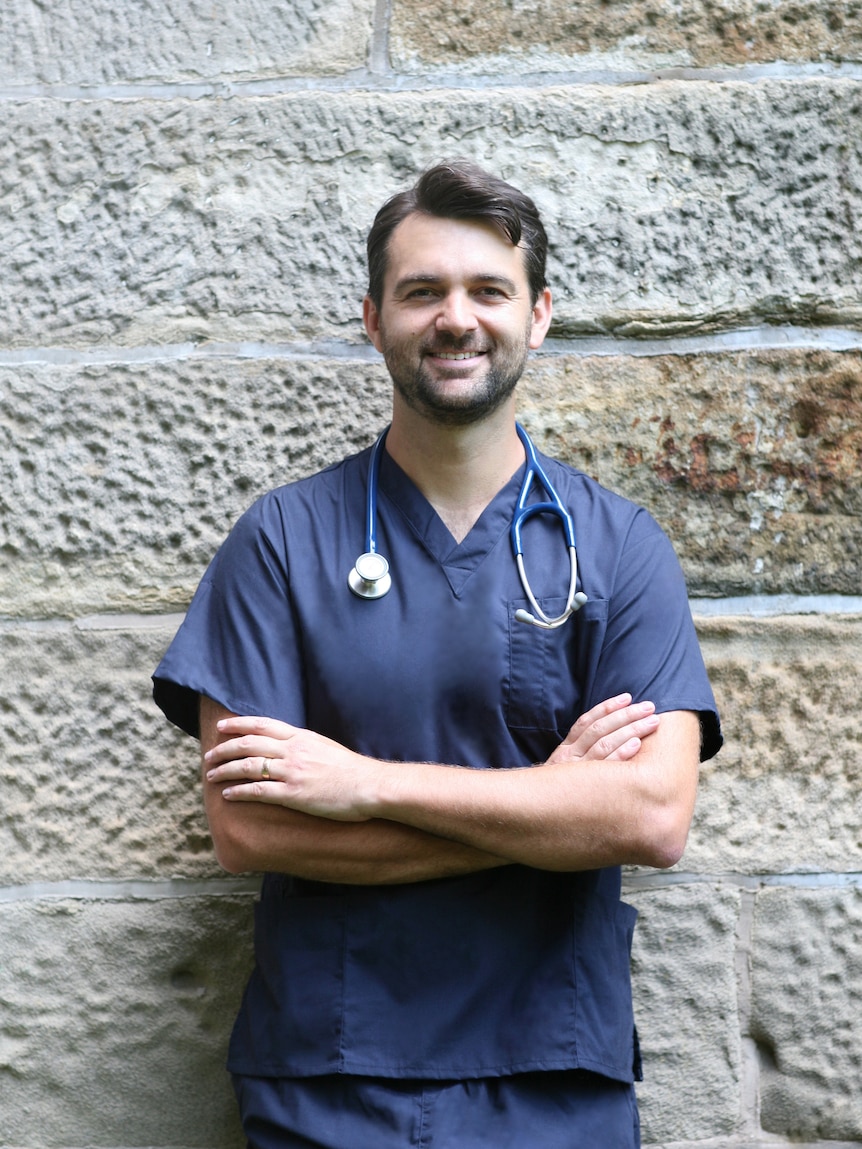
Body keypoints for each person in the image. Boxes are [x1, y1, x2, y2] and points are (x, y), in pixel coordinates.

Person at [153, 160, 722, 1148]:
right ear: (373, 317)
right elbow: (250, 832)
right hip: (332, 1078)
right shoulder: (283, 543)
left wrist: (364, 784)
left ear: (537, 315)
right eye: (422, 292)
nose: (456, 318)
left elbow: (650, 813)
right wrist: (547, 808)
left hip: (555, 1077)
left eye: (487, 291)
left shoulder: (619, 545)